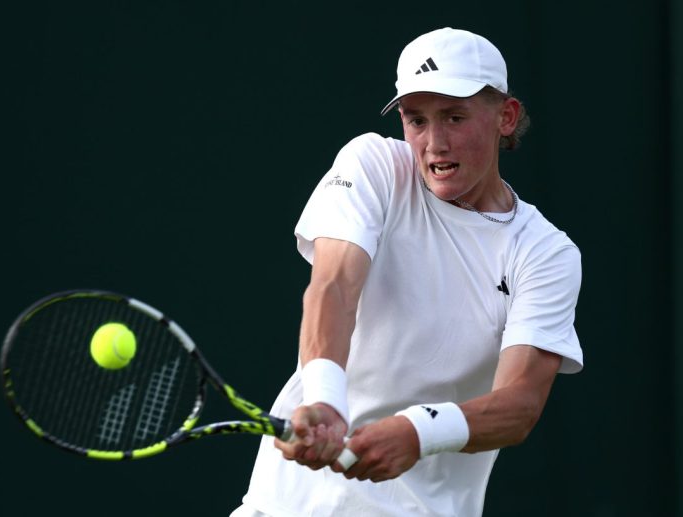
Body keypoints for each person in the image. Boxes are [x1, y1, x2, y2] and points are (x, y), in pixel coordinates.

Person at [231, 27, 583, 516]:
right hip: (285, 503)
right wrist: (326, 401)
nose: (434, 143)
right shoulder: (374, 164)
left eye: (454, 117)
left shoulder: (546, 253)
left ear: (506, 116)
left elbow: (519, 403)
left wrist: (419, 431)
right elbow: (334, 286)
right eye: (416, 120)